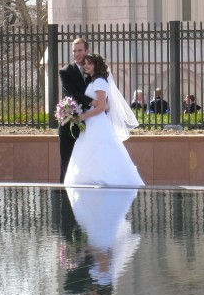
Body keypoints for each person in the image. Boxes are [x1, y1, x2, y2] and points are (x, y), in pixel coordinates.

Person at [64, 53, 144, 187]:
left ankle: (105, 180)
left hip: (97, 122)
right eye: (85, 63)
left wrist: (82, 116)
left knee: (101, 151)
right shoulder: (94, 81)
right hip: (91, 122)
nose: (86, 66)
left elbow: (102, 106)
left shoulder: (99, 81)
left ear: (96, 65)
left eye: (89, 63)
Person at [58, 38, 96, 183]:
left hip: (90, 127)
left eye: (80, 50)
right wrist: (93, 101)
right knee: (67, 169)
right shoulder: (66, 71)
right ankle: (63, 204)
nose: (77, 54)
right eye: (74, 51)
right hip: (69, 128)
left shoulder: (94, 71)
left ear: (87, 51)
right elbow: (73, 94)